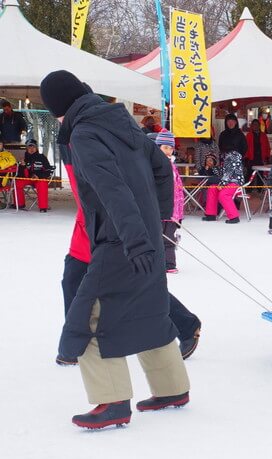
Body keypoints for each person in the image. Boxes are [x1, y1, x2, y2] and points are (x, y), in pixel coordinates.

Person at [40, 70, 191, 429]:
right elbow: (161, 168)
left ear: (59, 108)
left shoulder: (85, 134)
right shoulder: (119, 121)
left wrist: (136, 236)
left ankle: (112, 402)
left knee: (91, 317)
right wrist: (159, 218)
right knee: (150, 309)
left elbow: (113, 191)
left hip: (120, 239)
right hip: (144, 234)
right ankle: (173, 388)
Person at [57, 143, 201, 367]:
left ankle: (186, 324)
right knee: (72, 282)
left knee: (139, 288)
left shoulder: (108, 145)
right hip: (87, 231)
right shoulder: (76, 142)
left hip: (114, 232)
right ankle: (76, 344)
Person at [155, 130, 184, 274]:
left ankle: (170, 264)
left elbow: (178, 190)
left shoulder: (172, 165)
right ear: (158, 147)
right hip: (159, 209)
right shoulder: (154, 165)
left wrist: (179, 213)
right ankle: (156, 263)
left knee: (169, 238)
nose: (168, 150)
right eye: (165, 147)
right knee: (157, 237)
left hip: (173, 210)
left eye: (170, 147)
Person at [202, 147, 244, 224]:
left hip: (235, 182)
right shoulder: (225, 156)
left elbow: (229, 173)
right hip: (227, 182)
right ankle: (211, 215)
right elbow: (222, 172)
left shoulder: (232, 157)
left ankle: (234, 217)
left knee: (223, 194)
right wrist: (212, 169)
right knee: (212, 188)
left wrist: (222, 184)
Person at [12, 139, 52, 212]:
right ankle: (19, 204)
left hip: (39, 178)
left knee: (42, 183)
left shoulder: (42, 157)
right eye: (29, 147)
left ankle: (43, 207)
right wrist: (22, 166)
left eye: (33, 147)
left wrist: (39, 176)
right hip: (27, 178)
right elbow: (18, 175)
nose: (31, 149)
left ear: (36, 148)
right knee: (16, 182)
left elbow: (48, 171)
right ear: (26, 149)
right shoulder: (23, 158)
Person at [245, 119, 271, 187]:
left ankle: (259, 189)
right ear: (252, 126)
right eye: (254, 125)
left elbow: (267, 146)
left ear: (259, 126)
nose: (255, 126)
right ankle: (249, 189)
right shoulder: (249, 135)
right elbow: (246, 147)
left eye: (256, 125)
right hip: (251, 157)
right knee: (249, 174)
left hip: (261, 157)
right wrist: (246, 158)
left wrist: (267, 157)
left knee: (260, 174)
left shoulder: (263, 135)